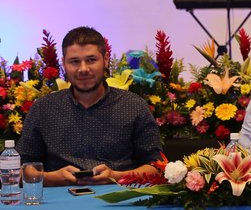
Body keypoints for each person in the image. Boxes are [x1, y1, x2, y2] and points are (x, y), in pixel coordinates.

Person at [17, 26, 163, 186]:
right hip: (57, 200)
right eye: (74, 62)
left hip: (120, 198)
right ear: (63, 64)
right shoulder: (43, 109)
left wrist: (116, 176)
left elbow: (156, 167)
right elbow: (21, 167)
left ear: (106, 60)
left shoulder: (134, 106)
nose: (83, 69)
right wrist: (53, 178)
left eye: (91, 60)